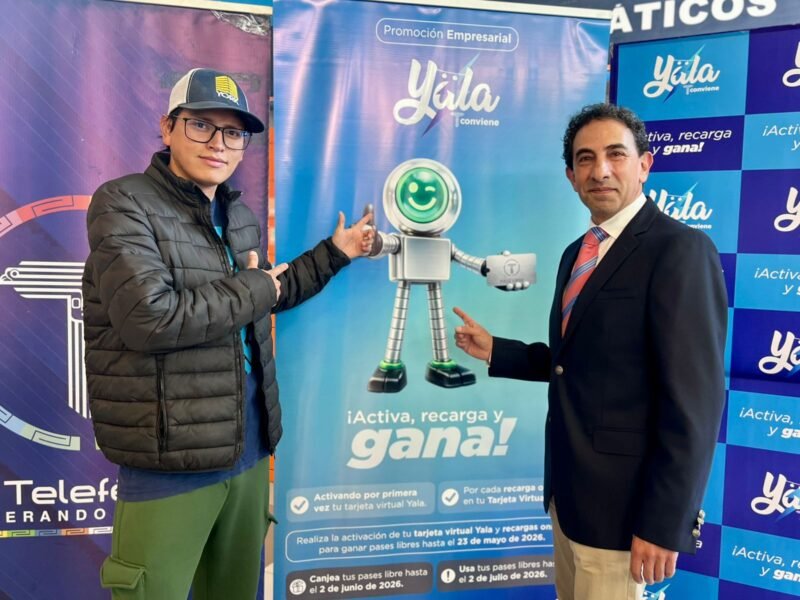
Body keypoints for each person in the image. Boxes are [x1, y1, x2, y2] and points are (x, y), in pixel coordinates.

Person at [82, 68, 373, 600]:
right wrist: (254, 286)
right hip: (173, 460)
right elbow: (150, 318)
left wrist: (337, 253)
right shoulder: (123, 202)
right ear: (167, 127)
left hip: (250, 450)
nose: (218, 143)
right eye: (201, 125)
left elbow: (264, 295)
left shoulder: (237, 216)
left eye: (233, 132)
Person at [454, 103, 726, 600]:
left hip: (624, 516)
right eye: (585, 159)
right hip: (568, 500)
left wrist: (665, 522)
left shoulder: (679, 249)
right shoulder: (576, 253)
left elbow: (695, 403)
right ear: (570, 175)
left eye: (615, 154)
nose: (600, 170)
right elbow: (578, 363)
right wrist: (499, 351)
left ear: (644, 164)